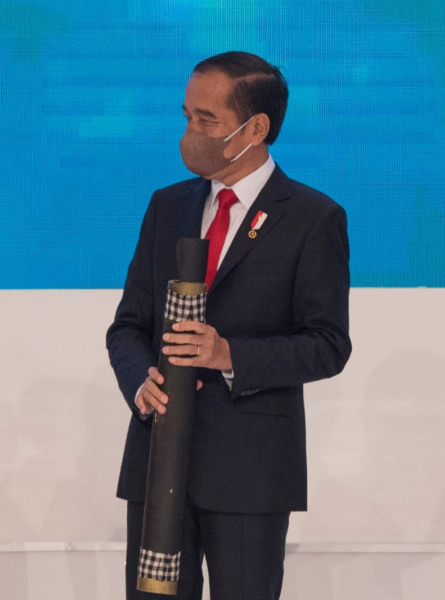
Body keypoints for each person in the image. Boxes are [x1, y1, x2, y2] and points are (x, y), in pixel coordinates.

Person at [106, 52, 351, 600]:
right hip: (158, 459)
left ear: (255, 128)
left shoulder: (313, 217)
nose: (191, 132)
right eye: (187, 116)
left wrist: (229, 354)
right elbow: (127, 326)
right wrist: (141, 378)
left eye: (207, 121)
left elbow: (328, 345)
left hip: (250, 469)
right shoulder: (166, 207)